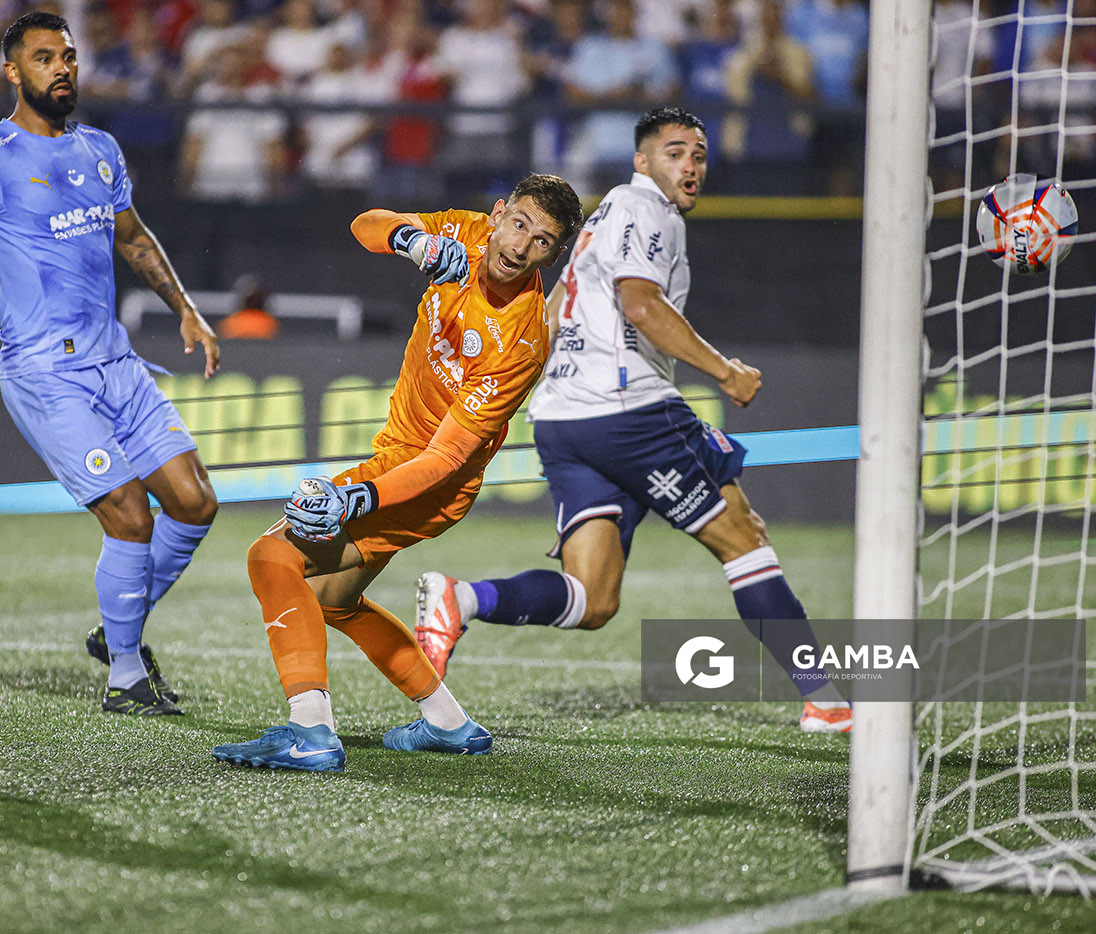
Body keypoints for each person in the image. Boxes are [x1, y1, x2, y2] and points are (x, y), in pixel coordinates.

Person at [414, 108, 853, 733]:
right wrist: (724, 371)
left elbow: (562, 311)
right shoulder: (643, 207)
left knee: (593, 599)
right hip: (627, 412)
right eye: (675, 153)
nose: (691, 167)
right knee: (743, 537)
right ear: (642, 160)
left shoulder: (603, 221)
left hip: (566, 419)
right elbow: (640, 304)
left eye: (699, 155)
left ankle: (461, 599)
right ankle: (827, 699)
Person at [0, 11, 220, 718]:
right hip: (48, 373)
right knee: (131, 515)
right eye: (44, 58)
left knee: (195, 502)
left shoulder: (99, 149)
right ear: (13, 72)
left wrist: (186, 308)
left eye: (68, 56)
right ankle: (127, 676)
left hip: (117, 363)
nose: (62, 67)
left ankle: (117, 632)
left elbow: (132, 239)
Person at [211, 173, 584, 772]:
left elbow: (447, 459)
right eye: (518, 224)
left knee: (271, 557)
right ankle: (449, 723)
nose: (520, 247)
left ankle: (310, 731)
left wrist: (358, 498)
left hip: (425, 481)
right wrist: (412, 239)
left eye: (541, 242)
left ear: (553, 254)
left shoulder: (522, 340)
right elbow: (364, 225)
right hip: (400, 459)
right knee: (335, 601)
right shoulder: (463, 234)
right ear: (498, 213)